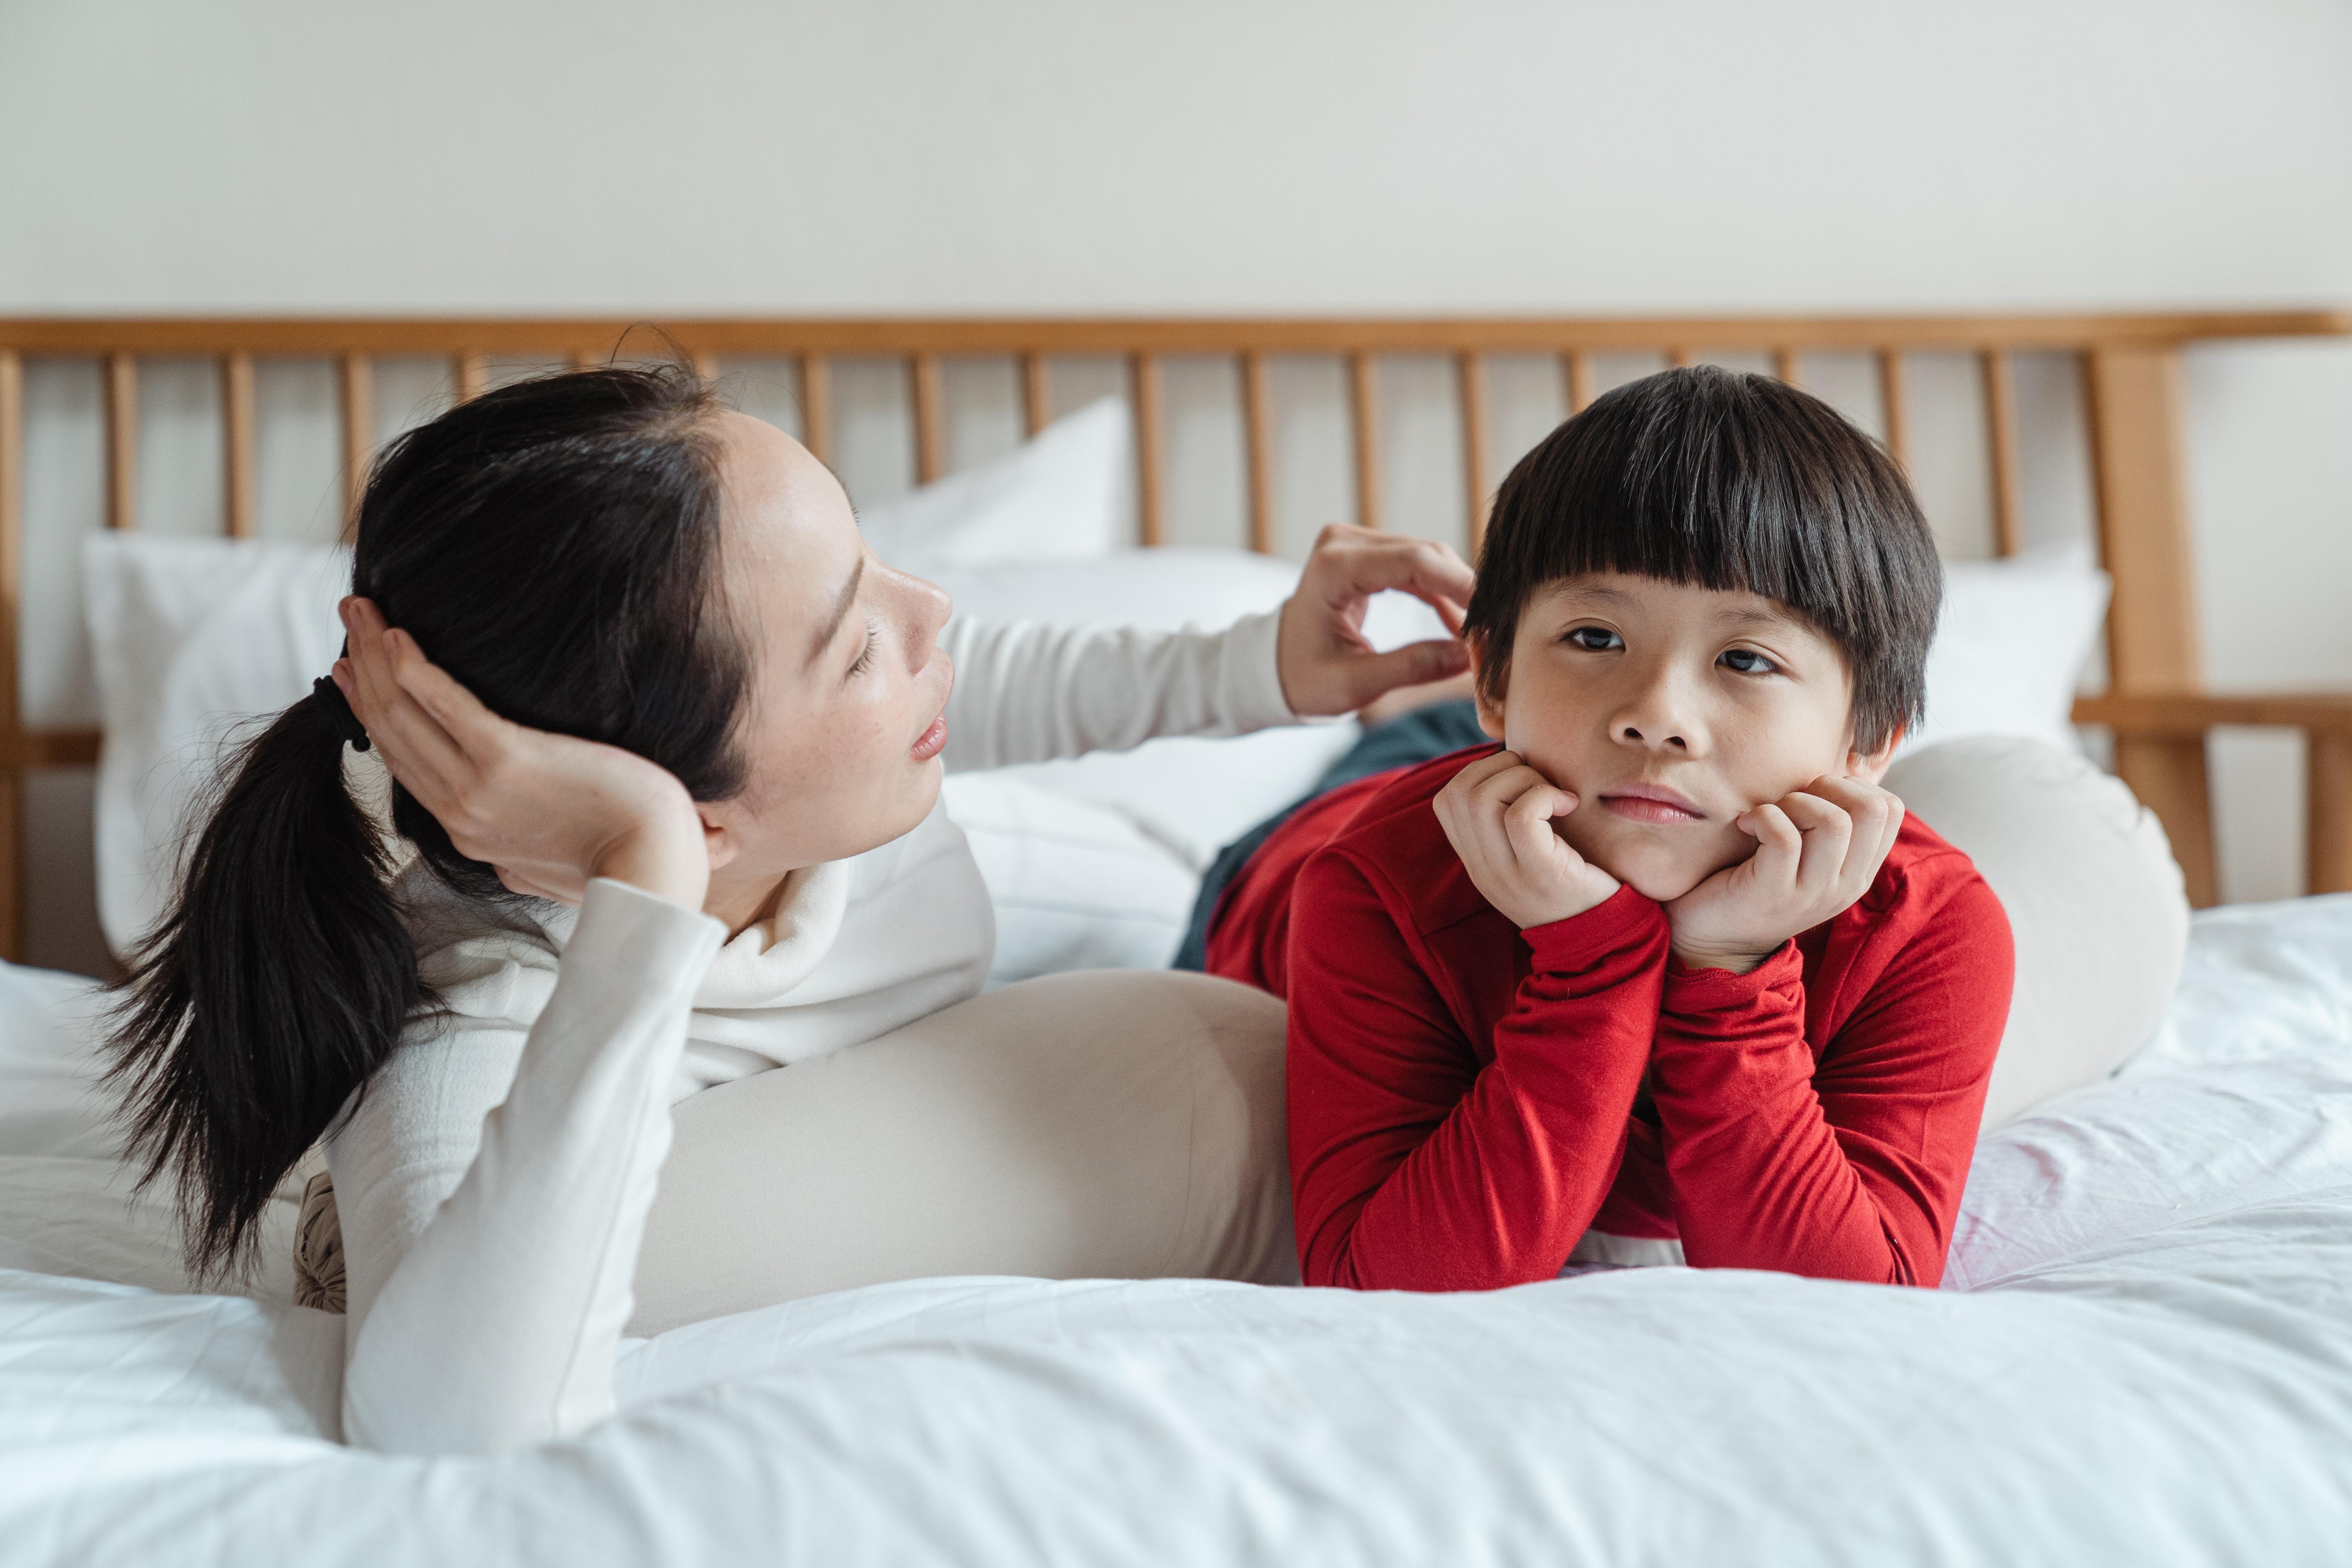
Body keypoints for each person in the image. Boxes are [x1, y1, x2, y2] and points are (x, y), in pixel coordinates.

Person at [102, 365, 1474, 1454]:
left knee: (1391, 810)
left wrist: (1266, 665)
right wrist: (649, 878)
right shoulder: (480, 1023)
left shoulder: (842, 766)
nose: (933, 611)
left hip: (1119, 926)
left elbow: (1014, 680)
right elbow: (447, 1418)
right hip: (602, 1135)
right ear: (691, 811)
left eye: (875, 563)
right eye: (859, 640)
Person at [1191, 366, 2014, 1292]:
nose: (1659, 712)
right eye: (1594, 636)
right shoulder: (1371, 885)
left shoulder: (1932, 929)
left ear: (1870, 741)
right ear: (1493, 678)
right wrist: (1592, 962)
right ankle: (1422, 718)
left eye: (1746, 657)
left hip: (1565, 768)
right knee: (1391, 777)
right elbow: (1381, 1287)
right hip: (1308, 852)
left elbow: (1856, 1297)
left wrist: (1731, 967)